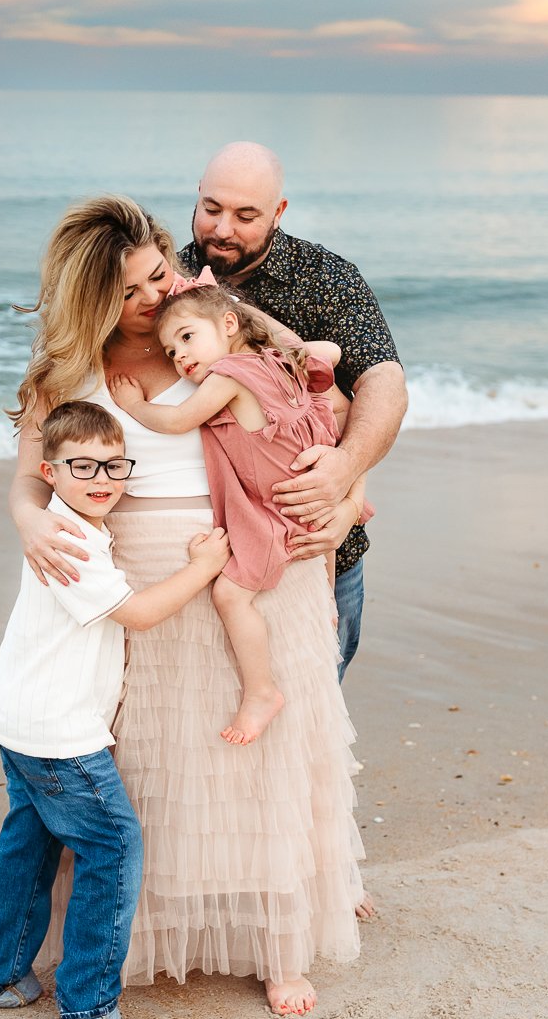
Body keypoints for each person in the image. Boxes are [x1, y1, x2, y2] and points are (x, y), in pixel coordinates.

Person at [11, 196, 366, 1018]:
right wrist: (32, 519)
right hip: (136, 572)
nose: (156, 296)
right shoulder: (72, 370)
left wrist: (344, 493)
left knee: (261, 757)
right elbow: (31, 481)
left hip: (247, 552)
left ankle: (275, 942)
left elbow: (322, 402)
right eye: (133, 289)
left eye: (159, 273)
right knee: (150, 763)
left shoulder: (218, 328)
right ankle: (136, 934)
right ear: (97, 298)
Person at [0, 400, 231, 1019]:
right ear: (49, 471)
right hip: (58, 733)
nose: (102, 478)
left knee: (28, 844)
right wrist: (201, 568)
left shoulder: (67, 525)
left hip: (19, 716)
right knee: (113, 846)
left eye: (115, 465)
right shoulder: (71, 541)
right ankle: (86, 1003)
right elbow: (137, 614)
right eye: (82, 465)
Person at [179, 142, 407, 679]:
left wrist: (345, 475)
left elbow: (384, 382)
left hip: (316, 543)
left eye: (246, 215)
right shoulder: (162, 272)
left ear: (279, 212)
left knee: (311, 725)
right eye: (212, 209)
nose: (223, 229)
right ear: (196, 196)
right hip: (204, 559)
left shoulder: (324, 276)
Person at [110, 274, 365, 746]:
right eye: (170, 353)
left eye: (188, 338)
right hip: (307, 495)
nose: (180, 357)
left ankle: (261, 692)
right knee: (320, 539)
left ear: (229, 323)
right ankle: (327, 602)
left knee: (231, 596)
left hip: (275, 509)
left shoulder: (229, 376)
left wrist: (134, 405)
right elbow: (329, 350)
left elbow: (178, 419)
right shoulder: (276, 361)